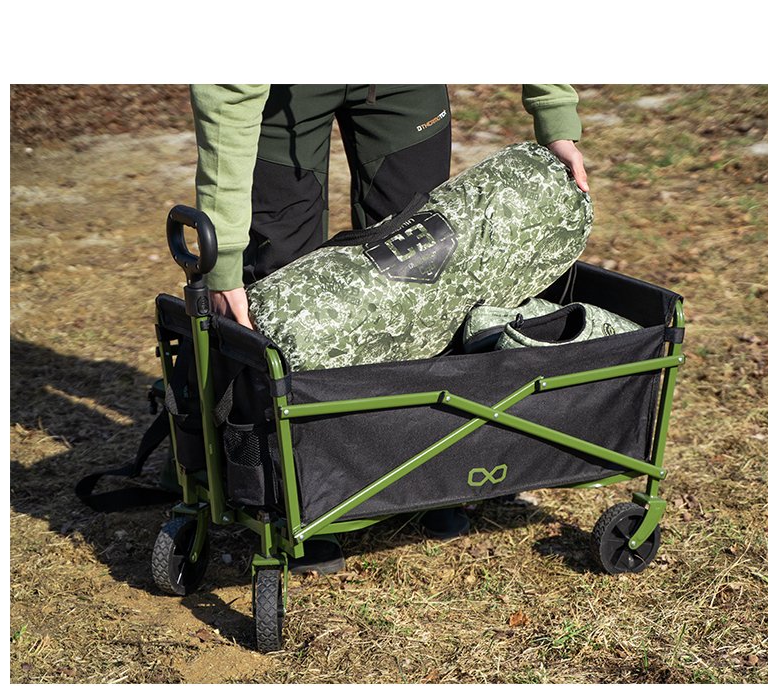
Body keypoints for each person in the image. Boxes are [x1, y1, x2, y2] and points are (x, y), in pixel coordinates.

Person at [189, 84, 588, 566]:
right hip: (281, 91)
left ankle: (426, 473)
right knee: (284, 289)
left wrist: (555, 115)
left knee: (428, 269)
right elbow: (227, 92)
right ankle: (303, 497)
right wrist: (224, 258)